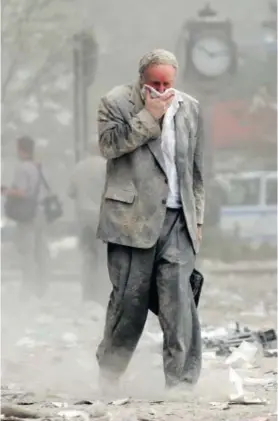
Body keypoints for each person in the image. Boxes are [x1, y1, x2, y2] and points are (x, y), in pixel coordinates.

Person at [96, 49, 205, 393]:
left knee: (179, 301)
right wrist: (148, 117)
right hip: (131, 220)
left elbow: (195, 172)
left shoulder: (189, 107)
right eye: (154, 83)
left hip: (177, 218)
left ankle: (182, 382)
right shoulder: (115, 102)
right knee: (129, 302)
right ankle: (110, 374)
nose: (161, 89)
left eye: (167, 83)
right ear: (142, 79)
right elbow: (108, 147)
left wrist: (197, 219)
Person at [2, 136, 50, 298]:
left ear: (21, 150)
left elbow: (22, 192)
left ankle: (28, 288)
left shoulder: (23, 168)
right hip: (42, 213)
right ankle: (42, 288)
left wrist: (5, 191)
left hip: (28, 215)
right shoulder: (39, 167)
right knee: (41, 252)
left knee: (27, 252)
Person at [68, 142, 105, 301]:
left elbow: (70, 193)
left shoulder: (79, 167)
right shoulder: (107, 166)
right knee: (103, 256)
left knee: (87, 255)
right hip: (103, 217)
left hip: (84, 217)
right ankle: (102, 293)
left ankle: (87, 294)